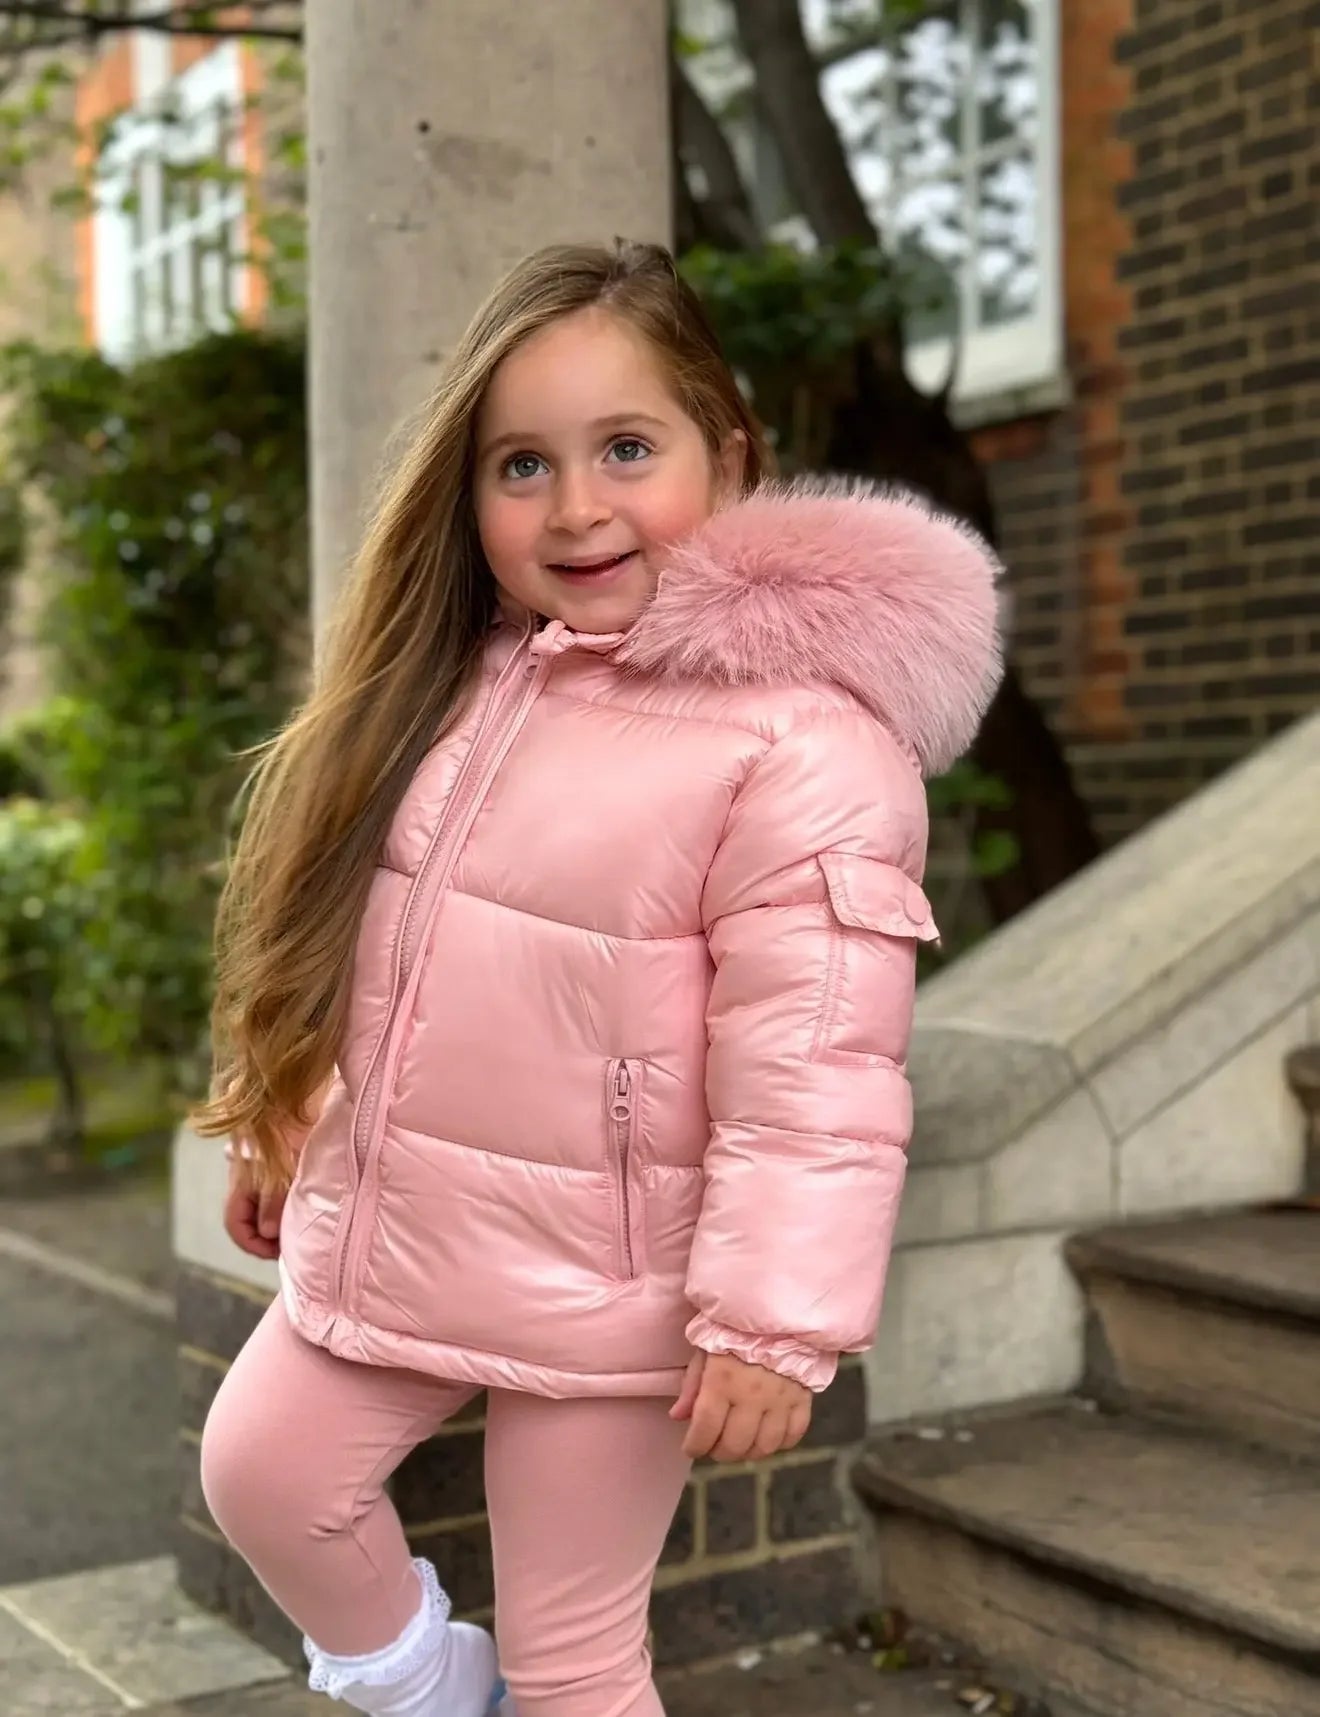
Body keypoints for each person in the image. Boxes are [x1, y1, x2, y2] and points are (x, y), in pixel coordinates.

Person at [192, 238, 1002, 1717]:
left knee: (574, 1661)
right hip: (406, 1223)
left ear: (728, 457)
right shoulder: (455, 683)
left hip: (621, 1281)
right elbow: (369, 942)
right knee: (264, 1474)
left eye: (627, 448)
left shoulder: (801, 745)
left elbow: (817, 1061)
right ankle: (436, 1692)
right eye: (523, 465)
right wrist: (285, 1108)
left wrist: (773, 1319)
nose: (576, 506)